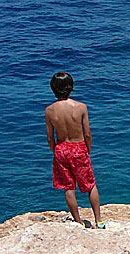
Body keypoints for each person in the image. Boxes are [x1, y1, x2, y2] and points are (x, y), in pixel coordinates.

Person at [45, 72, 104, 228]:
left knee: (68, 187)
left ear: (53, 89)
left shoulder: (49, 111)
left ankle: (78, 222)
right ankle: (99, 220)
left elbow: (50, 138)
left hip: (61, 149)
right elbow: (87, 134)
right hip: (79, 148)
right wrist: (87, 150)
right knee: (90, 184)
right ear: (71, 87)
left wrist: (55, 151)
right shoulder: (81, 107)